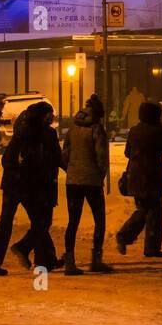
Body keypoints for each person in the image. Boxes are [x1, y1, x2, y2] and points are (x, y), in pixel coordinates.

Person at [0, 102, 60, 275]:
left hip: (14, 185)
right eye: (50, 115)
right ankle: (33, 253)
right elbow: (56, 158)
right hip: (30, 185)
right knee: (40, 221)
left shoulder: (21, 133)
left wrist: (16, 172)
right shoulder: (47, 134)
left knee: (9, 223)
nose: (52, 118)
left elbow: (6, 160)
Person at [60, 93, 111, 275]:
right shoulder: (96, 128)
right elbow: (101, 156)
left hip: (73, 180)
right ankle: (96, 259)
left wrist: (72, 169)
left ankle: (70, 261)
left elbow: (64, 154)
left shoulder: (73, 128)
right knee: (99, 219)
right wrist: (100, 174)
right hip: (92, 181)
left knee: (73, 221)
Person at [116, 100, 162, 260]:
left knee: (143, 209)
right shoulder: (158, 130)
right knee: (154, 213)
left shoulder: (134, 131)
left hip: (135, 176)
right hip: (153, 175)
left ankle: (127, 237)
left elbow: (127, 153)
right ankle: (149, 246)